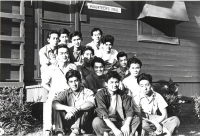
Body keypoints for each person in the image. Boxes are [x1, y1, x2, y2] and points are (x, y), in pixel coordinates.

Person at [41, 44, 77, 135]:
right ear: (56, 56)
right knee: (50, 101)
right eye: (61, 53)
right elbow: (44, 83)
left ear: (69, 54)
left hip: (70, 94)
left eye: (66, 53)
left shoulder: (73, 67)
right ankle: (49, 129)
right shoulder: (51, 68)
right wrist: (52, 90)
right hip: (56, 94)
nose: (64, 55)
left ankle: (73, 128)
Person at [92, 71, 140, 136]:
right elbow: (103, 114)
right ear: (106, 84)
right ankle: (117, 133)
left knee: (136, 119)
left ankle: (111, 134)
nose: (114, 85)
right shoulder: (100, 94)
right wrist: (115, 129)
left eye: (116, 82)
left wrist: (126, 125)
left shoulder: (123, 95)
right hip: (107, 122)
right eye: (111, 82)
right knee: (96, 122)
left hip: (119, 121)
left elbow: (129, 111)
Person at [52, 70, 95, 136]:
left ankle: (75, 132)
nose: (74, 84)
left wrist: (76, 109)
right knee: (58, 109)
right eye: (71, 82)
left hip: (83, 123)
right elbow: (54, 104)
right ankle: (60, 133)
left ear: (80, 81)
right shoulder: (65, 93)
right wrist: (67, 108)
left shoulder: (87, 92)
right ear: (67, 83)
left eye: (76, 81)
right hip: (69, 120)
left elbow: (91, 103)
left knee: (86, 108)